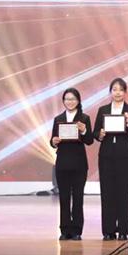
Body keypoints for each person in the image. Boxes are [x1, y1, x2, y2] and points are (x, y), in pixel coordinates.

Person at [92, 78, 128, 241]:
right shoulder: (103, 110)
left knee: (124, 192)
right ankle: (108, 230)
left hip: (124, 156)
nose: (118, 93)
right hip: (106, 156)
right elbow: (95, 133)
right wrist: (100, 134)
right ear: (110, 92)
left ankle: (123, 230)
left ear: (125, 92)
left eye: (121, 89)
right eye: (114, 89)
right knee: (107, 193)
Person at [49, 87, 93, 240]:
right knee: (64, 198)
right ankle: (64, 229)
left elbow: (89, 141)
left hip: (79, 164)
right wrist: (54, 142)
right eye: (67, 99)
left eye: (73, 99)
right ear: (63, 101)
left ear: (78, 101)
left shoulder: (84, 118)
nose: (70, 102)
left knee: (78, 198)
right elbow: (52, 140)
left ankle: (77, 230)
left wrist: (84, 130)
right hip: (62, 163)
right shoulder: (58, 119)